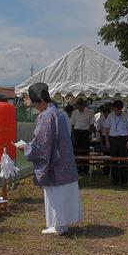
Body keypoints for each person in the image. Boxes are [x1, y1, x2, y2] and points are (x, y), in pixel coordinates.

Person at [19, 82, 81, 235]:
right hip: (65, 160)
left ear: (37, 101)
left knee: (55, 194)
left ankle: (57, 226)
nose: (35, 107)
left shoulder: (46, 115)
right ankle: (62, 224)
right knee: (63, 194)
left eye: (34, 104)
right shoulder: (57, 111)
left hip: (56, 163)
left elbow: (42, 143)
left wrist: (26, 148)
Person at [103, 99, 128, 185]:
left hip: (123, 139)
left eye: (117, 109)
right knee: (113, 160)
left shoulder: (126, 115)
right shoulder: (110, 116)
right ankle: (115, 179)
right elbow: (107, 128)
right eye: (114, 109)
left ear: (121, 108)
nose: (116, 111)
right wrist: (106, 140)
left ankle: (124, 179)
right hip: (112, 139)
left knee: (124, 160)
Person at [71, 98, 93, 173]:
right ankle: (78, 168)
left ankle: (86, 169)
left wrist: (90, 134)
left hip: (85, 132)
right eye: (79, 105)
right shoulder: (74, 112)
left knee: (85, 151)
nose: (80, 107)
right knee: (77, 151)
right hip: (77, 133)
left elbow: (91, 125)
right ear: (77, 105)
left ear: (84, 105)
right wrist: (73, 135)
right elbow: (72, 125)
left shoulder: (89, 112)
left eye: (81, 105)